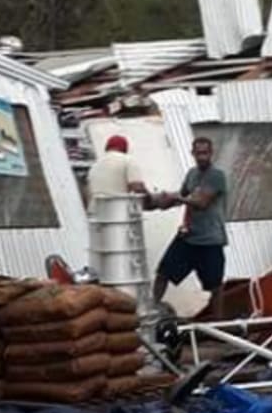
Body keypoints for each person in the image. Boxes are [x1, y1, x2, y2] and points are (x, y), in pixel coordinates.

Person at [153, 137, 229, 318]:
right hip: (188, 237)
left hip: (210, 240)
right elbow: (182, 195)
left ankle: (218, 324)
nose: (202, 157)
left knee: (215, 286)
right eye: (198, 153)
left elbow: (201, 202)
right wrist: (159, 201)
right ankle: (151, 311)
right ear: (192, 154)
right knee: (163, 273)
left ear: (211, 153)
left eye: (205, 153)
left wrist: (175, 198)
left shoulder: (216, 175)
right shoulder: (192, 174)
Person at [86, 134, 148, 204]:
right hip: (118, 210)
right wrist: (151, 200)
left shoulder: (94, 166)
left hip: (96, 211)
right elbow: (138, 189)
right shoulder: (127, 160)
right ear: (125, 148)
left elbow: (87, 194)